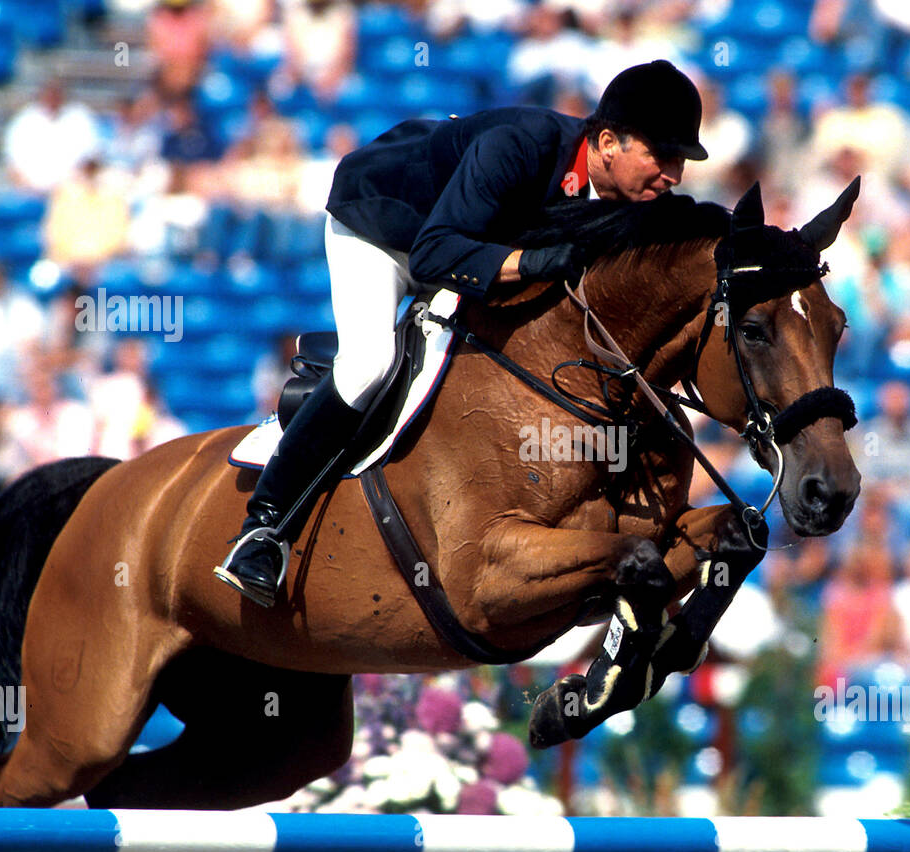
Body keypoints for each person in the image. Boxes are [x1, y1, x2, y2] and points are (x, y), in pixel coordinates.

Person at [215, 59, 709, 606]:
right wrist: (537, 260)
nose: (673, 175)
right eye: (662, 156)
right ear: (609, 142)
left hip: (466, 248)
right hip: (388, 230)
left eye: (680, 160)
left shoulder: (628, 197)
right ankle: (263, 529)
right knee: (371, 364)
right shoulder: (520, 145)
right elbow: (431, 256)